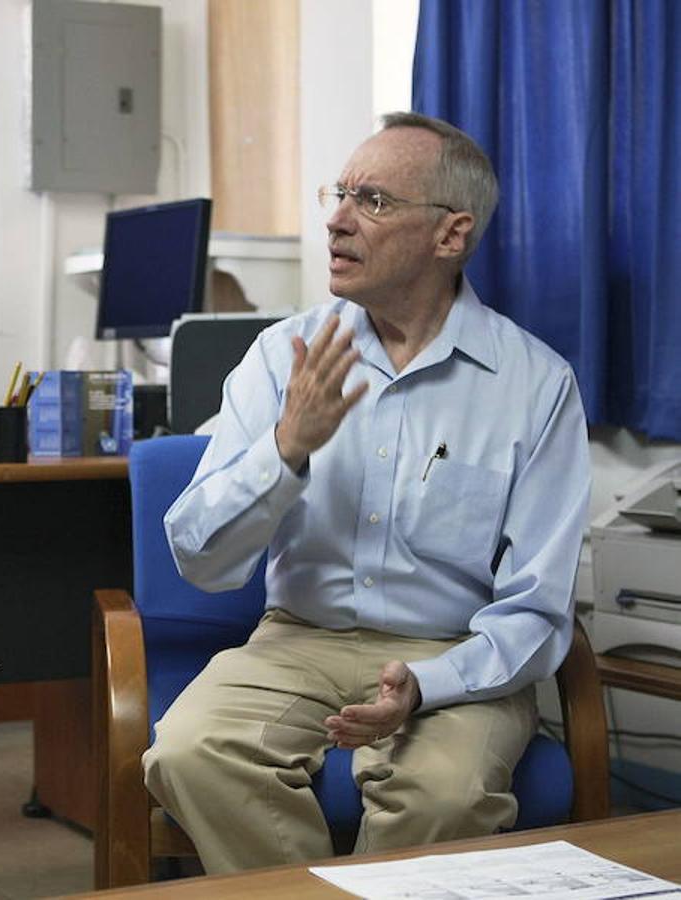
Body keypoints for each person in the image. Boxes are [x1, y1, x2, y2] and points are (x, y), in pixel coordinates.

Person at [143, 112, 590, 874]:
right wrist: (287, 450)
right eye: (340, 192)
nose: (337, 220)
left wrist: (430, 684)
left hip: (455, 652)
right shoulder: (282, 356)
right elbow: (201, 560)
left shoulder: (536, 386)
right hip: (298, 639)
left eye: (374, 201)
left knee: (443, 794)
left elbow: (537, 609)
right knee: (190, 752)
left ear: (452, 235)